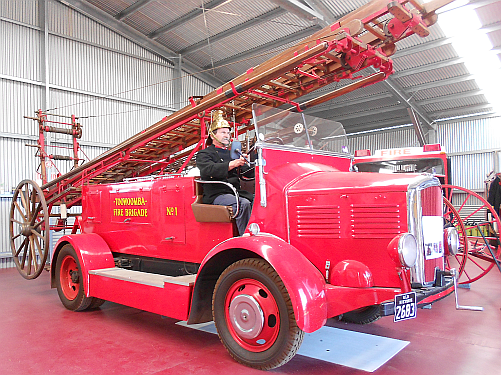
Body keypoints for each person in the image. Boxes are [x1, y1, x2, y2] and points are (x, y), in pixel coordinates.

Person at [195, 110, 254, 235]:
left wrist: (250, 162)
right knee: (243, 203)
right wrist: (233, 164)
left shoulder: (232, 154)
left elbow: (246, 173)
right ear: (212, 135)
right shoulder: (204, 154)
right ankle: (245, 236)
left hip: (234, 192)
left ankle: (259, 232)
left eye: (228, 132)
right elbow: (209, 169)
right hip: (217, 194)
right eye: (223, 132)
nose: (227, 135)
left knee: (259, 200)